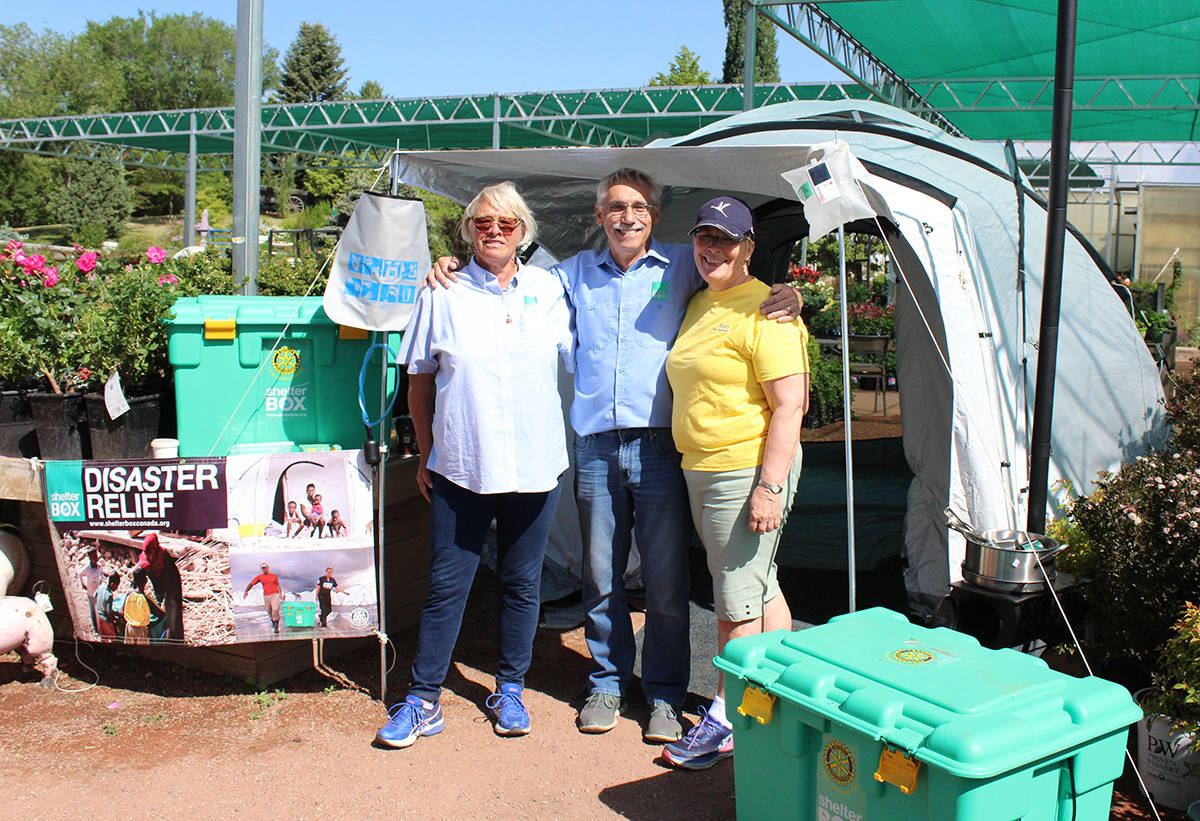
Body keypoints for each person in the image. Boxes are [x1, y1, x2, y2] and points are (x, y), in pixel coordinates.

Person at [430, 168, 799, 743]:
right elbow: (503, 276)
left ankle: (665, 695)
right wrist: (450, 265)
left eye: (639, 208)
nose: (628, 217)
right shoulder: (568, 275)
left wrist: (787, 291)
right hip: (597, 447)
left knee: (666, 580)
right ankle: (605, 682)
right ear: (599, 217)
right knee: (600, 574)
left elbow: (735, 274)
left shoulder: (684, 264)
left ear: (653, 216)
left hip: (659, 448)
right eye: (616, 208)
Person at [375, 181, 572, 749]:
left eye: (505, 223)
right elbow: (418, 379)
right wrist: (428, 447)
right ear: (467, 230)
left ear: (524, 232)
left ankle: (509, 687)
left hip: (535, 463)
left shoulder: (550, 289)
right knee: (447, 585)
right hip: (461, 465)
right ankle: (423, 698)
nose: (493, 231)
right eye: (482, 223)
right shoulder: (442, 291)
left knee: (521, 584)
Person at [661, 197, 809, 770]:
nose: (712, 249)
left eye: (726, 239)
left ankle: (727, 715)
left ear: (748, 247)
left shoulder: (767, 312)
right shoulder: (699, 299)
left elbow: (790, 406)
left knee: (735, 595)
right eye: (704, 237)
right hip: (704, 465)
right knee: (759, 583)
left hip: (744, 468)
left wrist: (769, 488)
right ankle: (773, 696)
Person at [137, 533, 183, 641]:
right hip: (158, 588)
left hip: (172, 586)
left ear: (155, 548)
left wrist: (165, 599)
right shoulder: (144, 559)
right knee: (159, 614)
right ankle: (161, 637)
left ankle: (174, 640)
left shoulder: (164, 558)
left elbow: (169, 582)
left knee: (172, 613)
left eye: (150, 552)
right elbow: (138, 574)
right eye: (147, 553)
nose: (149, 556)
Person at [124, 567, 165, 645]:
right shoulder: (146, 599)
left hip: (129, 628)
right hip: (141, 632)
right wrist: (150, 625)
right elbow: (161, 614)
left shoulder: (128, 595)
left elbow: (121, 611)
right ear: (145, 581)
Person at [244, 562, 284, 634]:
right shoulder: (260, 577)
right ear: (261, 569)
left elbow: (278, 585)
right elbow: (251, 584)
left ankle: (276, 627)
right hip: (266, 596)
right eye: (263, 568)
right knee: (269, 612)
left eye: (265, 567)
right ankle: (274, 624)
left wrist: (280, 594)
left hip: (274, 595)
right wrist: (246, 591)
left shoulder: (274, 576)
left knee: (275, 610)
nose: (264, 569)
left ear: (268, 568)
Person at [77, 547, 105, 632]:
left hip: (98, 592)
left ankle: (101, 627)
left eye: (95, 556)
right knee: (93, 611)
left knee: (99, 609)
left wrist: (100, 584)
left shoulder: (99, 566)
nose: (95, 559)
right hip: (91, 593)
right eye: (93, 557)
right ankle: (95, 628)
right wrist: (83, 585)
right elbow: (79, 574)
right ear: (89, 558)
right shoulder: (87, 568)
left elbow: (101, 575)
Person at [95, 572, 121, 639]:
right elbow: (109, 612)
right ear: (112, 584)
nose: (117, 588)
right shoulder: (109, 595)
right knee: (114, 638)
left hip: (98, 616)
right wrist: (116, 618)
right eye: (117, 586)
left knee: (103, 638)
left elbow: (95, 596)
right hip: (105, 620)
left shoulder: (100, 587)